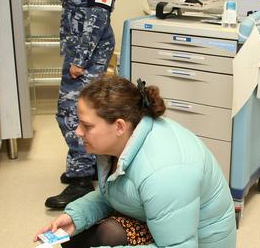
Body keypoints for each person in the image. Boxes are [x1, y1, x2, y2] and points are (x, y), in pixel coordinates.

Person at [33, 75, 237, 247]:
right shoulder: (121, 141)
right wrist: (75, 217)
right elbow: (116, 193)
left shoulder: (164, 172)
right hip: (165, 225)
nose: (78, 131)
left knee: (103, 235)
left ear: (119, 126)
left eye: (87, 126)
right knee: (74, 237)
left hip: (197, 242)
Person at [28, 0, 123, 208]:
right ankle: (82, 167)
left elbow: (99, 12)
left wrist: (80, 59)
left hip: (89, 51)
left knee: (73, 115)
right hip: (78, 48)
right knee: (71, 113)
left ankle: (83, 178)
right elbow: (75, 0)